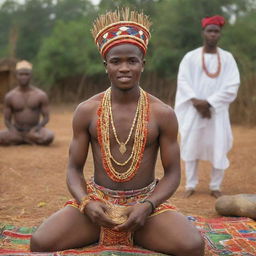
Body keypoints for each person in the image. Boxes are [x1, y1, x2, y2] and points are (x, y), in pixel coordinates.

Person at [30, 9, 204, 256]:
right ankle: (106, 228)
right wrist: (86, 202)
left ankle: (139, 229)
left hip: (144, 207)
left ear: (142, 65)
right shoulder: (87, 111)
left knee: (192, 247)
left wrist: (148, 205)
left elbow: (173, 173)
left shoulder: (162, 113)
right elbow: (73, 169)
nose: (124, 68)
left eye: (131, 61)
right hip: (98, 204)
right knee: (40, 243)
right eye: (116, 61)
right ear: (105, 66)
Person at [174, 15, 240, 198]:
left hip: (216, 111)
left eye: (216, 31)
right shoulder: (191, 57)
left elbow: (232, 85)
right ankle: (190, 184)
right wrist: (197, 103)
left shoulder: (227, 58)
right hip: (194, 110)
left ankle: (215, 186)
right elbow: (183, 81)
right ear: (203, 33)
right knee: (190, 144)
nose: (212, 34)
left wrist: (209, 103)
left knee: (219, 144)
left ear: (220, 34)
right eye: (209, 31)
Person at [0, 60, 54, 146]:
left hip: (35, 130)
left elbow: (46, 117)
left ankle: (22, 139)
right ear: (16, 75)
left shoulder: (40, 95)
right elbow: (7, 120)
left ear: (30, 75)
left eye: (26, 74)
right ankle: (27, 139)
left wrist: (36, 129)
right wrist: (13, 130)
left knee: (49, 136)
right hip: (17, 130)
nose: (23, 77)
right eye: (21, 74)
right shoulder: (10, 96)